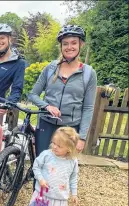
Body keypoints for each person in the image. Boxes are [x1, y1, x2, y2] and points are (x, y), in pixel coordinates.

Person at [27, 25, 97, 156]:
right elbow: (32, 94)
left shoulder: (88, 73)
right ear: (61, 46)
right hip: (46, 124)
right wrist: (47, 106)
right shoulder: (50, 68)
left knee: (62, 168)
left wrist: (81, 137)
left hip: (69, 129)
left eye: (73, 43)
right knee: (41, 164)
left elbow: (88, 107)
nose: (69, 47)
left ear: (81, 44)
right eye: (65, 43)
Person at [23, 127, 80, 206]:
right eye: (53, 143)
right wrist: (40, 179)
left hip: (59, 197)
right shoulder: (46, 155)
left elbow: (73, 177)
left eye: (59, 146)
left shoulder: (72, 161)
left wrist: (74, 193)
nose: (54, 147)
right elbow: (36, 167)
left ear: (69, 149)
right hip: (43, 195)